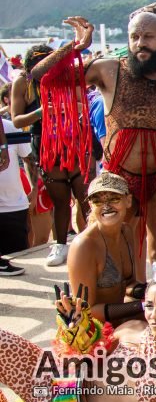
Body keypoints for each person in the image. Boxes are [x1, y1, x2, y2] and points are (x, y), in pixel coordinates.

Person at [31, 16, 156, 262]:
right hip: (118, 177)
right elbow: (43, 75)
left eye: (148, 37)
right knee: (114, 256)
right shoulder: (108, 69)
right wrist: (75, 47)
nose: (140, 43)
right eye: (135, 37)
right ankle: (125, 298)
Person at [0, 260, 156, 402]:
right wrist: (76, 327)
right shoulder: (131, 329)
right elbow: (85, 354)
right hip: (55, 385)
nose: (154, 314)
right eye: (149, 305)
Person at [11, 44, 92, 266]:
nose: (46, 69)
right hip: (46, 145)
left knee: (85, 197)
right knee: (60, 200)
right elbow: (17, 120)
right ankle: (60, 245)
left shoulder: (67, 77)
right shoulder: (24, 83)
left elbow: (84, 105)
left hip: (73, 142)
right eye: (40, 65)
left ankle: (97, 243)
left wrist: (69, 107)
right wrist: (42, 111)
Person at [67, 171, 147, 324]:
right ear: (90, 205)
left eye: (114, 198)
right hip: (94, 331)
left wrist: (155, 291)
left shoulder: (126, 231)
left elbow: (129, 285)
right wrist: (143, 306)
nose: (107, 206)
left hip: (120, 320)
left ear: (128, 201)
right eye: (98, 201)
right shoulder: (84, 246)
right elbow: (85, 311)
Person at [0, 116, 37, 275]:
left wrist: (34, 189)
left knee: (21, 260)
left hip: (13, 206)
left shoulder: (10, 127)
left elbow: (29, 159)